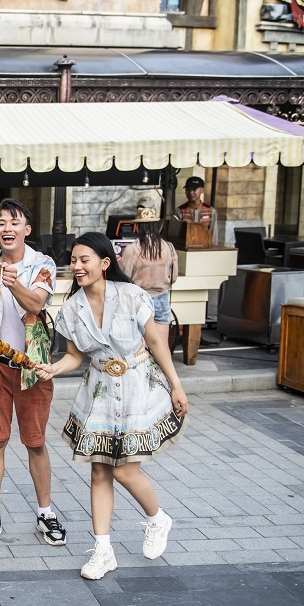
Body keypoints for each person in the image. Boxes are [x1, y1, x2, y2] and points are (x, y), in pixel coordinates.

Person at [35, 232, 189, 581]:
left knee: (123, 469)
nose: (76, 266)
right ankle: (103, 550)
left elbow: (155, 341)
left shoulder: (133, 296)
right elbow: (74, 357)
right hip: (100, 390)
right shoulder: (71, 309)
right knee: (100, 469)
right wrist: (53, 368)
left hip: (138, 387)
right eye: (73, 260)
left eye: (84, 260)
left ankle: (157, 518)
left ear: (105, 264)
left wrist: (177, 386)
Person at [0, 199, 67, 549]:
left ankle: (45, 513)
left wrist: (13, 282)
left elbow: (36, 303)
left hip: (33, 370)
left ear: (27, 229)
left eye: (14, 222)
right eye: (1, 222)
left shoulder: (42, 264)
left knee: (35, 443)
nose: (7, 228)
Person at [119, 196, 179, 350]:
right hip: (162, 297)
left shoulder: (133, 249)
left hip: (139, 299)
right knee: (162, 345)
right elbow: (174, 277)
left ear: (138, 227)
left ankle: (145, 374)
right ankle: (164, 373)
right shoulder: (168, 247)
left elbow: (125, 279)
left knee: (141, 347)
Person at [173, 176, 217, 245]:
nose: (191, 192)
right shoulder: (180, 211)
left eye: (194, 189)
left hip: (204, 249)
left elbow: (213, 234)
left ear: (202, 190)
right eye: (188, 189)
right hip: (185, 249)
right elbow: (175, 235)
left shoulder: (210, 211)